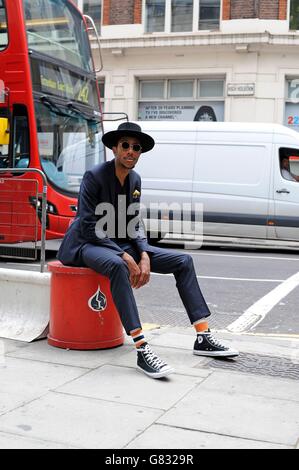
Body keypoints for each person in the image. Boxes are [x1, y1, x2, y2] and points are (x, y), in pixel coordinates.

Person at [57, 122, 239, 379]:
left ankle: (203, 336)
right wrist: (124, 255)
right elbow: (88, 226)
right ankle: (142, 350)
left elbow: (134, 222)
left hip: (122, 242)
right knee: (118, 265)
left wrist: (142, 253)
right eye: (126, 146)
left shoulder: (135, 179)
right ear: (114, 148)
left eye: (136, 147)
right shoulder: (94, 176)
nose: (131, 151)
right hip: (88, 244)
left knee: (183, 260)